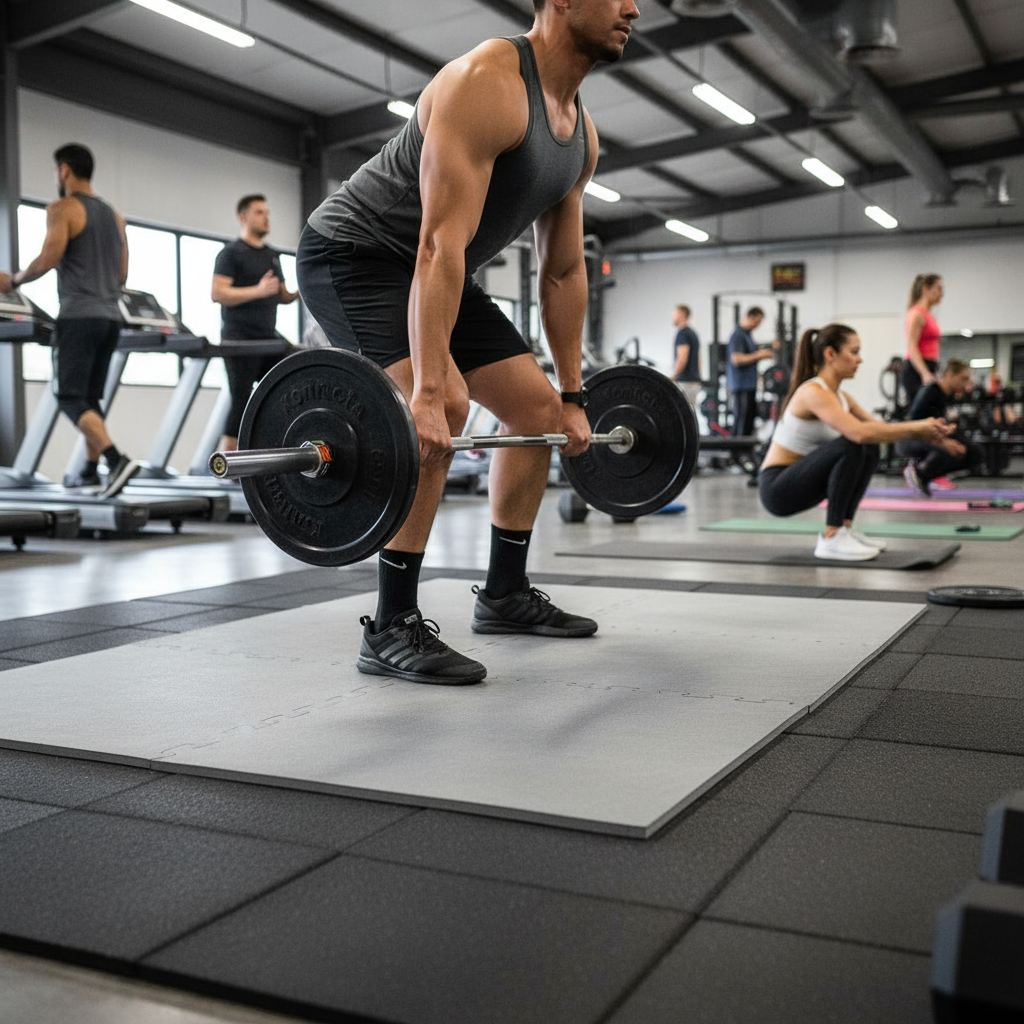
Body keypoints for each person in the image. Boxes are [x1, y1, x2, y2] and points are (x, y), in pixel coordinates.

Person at [297, 0, 641, 685]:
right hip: (355, 254)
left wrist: (574, 396)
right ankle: (391, 625)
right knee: (445, 406)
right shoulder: (485, 82)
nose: (632, 7)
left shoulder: (581, 137)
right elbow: (438, 243)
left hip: (434, 265)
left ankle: (505, 595)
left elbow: (565, 271)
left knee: (539, 416)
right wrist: (425, 394)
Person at [0, 143, 138, 497]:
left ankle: (115, 459)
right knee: (90, 399)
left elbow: (49, 258)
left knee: (69, 397)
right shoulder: (114, 215)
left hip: (78, 316)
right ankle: (89, 472)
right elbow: (122, 274)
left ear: (64, 170)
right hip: (111, 320)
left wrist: (13, 281)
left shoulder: (63, 208)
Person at [759, 323, 954, 561]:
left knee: (869, 445)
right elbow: (859, 433)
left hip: (801, 480)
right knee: (853, 442)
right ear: (830, 354)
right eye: (854, 352)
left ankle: (845, 528)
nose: (859, 360)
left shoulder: (841, 397)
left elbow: (879, 430)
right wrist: (916, 428)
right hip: (777, 488)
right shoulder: (812, 392)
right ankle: (832, 537)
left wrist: (928, 434)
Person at [211, 194, 299, 452]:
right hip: (240, 340)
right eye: (259, 212)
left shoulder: (271, 255)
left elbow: (280, 294)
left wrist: (300, 291)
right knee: (241, 402)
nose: (266, 217)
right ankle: (225, 464)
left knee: (293, 373)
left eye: (267, 212)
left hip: (268, 338)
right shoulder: (230, 253)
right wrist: (257, 291)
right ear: (243, 217)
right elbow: (218, 293)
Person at [898, 358, 984, 496]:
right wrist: (944, 442)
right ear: (950, 375)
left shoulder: (948, 396)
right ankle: (919, 472)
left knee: (975, 452)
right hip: (910, 438)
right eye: (963, 379)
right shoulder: (930, 392)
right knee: (950, 448)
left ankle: (925, 475)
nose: (965, 383)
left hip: (931, 435)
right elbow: (914, 425)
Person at [726, 306, 777, 436]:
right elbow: (736, 359)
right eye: (757, 321)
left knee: (748, 420)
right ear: (750, 317)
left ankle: (745, 452)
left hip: (749, 384)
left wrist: (769, 347)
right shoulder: (738, 335)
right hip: (741, 385)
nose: (758, 325)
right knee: (742, 421)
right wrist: (760, 355)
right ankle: (737, 454)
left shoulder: (748, 335)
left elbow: (752, 350)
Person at [902, 273, 943, 404]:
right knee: (921, 417)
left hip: (929, 366)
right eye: (938, 288)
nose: (941, 293)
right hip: (916, 370)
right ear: (926, 289)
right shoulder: (917, 314)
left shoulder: (928, 315)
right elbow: (912, 346)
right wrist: (924, 373)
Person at [670, 304, 701, 409]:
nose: (673, 316)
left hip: (685, 382)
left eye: (675, 313)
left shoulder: (682, 334)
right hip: (693, 382)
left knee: (682, 416)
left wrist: (674, 376)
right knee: (690, 415)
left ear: (682, 314)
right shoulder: (693, 333)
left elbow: (682, 357)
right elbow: (699, 358)